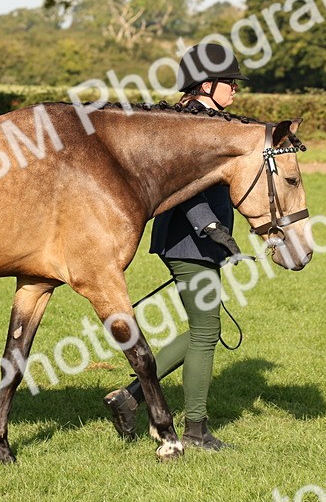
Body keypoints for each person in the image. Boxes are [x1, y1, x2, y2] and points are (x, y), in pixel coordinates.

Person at [103, 42, 249, 451]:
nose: (235, 90)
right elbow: (184, 186)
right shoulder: (191, 123)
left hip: (193, 241)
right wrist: (211, 227)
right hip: (189, 241)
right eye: (229, 82)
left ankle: (130, 397)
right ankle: (195, 430)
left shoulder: (204, 119)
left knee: (206, 328)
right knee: (206, 331)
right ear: (206, 84)